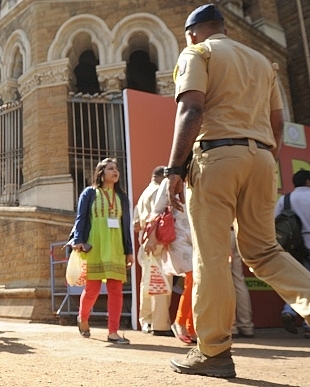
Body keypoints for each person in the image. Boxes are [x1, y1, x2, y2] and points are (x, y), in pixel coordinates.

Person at [164, 3, 310, 378]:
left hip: (216, 157)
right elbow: (278, 122)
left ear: (193, 32)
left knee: (212, 255)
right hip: (263, 158)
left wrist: (175, 170)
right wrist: (261, 155)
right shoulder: (263, 63)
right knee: (264, 251)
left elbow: (191, 109)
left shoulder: (198, 52)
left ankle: (213, 351)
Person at [70, 158, 134, 344]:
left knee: (116, 289)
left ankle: (113, 332)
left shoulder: (122, 197)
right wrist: (78, 240)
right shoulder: (90, 193)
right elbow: (81, 218)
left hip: (116, 247)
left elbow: (126, 225)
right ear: (101, 172)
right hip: (95, 245)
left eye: (117, 169)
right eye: (111, 168)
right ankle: (83, 317)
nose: (115, 172)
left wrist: (128, 250)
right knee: (93, 289)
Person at [145, 177, 195, 344]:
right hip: (178, 236)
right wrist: (150, 238)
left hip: (201, 235)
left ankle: (192, 327)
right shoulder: (171, 179)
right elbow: (157, 210)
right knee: (194, 277)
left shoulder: (205, 173)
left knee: (199, 282)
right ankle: (181, 321)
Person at [275, 169, 310, 339]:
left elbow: (275, 221)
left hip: (294, 247)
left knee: (297, 282)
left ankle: (289, 310)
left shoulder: (285, 199)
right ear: (308, 182)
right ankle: (307, 325)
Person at [133, 165, 166, 334]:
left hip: (144, 244)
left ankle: (146, 321)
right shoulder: (159, 191)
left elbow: (136, 225)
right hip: (157, 242)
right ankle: (160, 324)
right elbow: (157, 217)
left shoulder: (143, 195)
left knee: (147, 282)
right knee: (160, 282)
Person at [229, 227, 255, 338]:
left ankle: (232, 326)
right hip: (237, 232)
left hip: (222, 232)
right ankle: (246, 325)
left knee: (226, 280)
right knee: (238, 280)